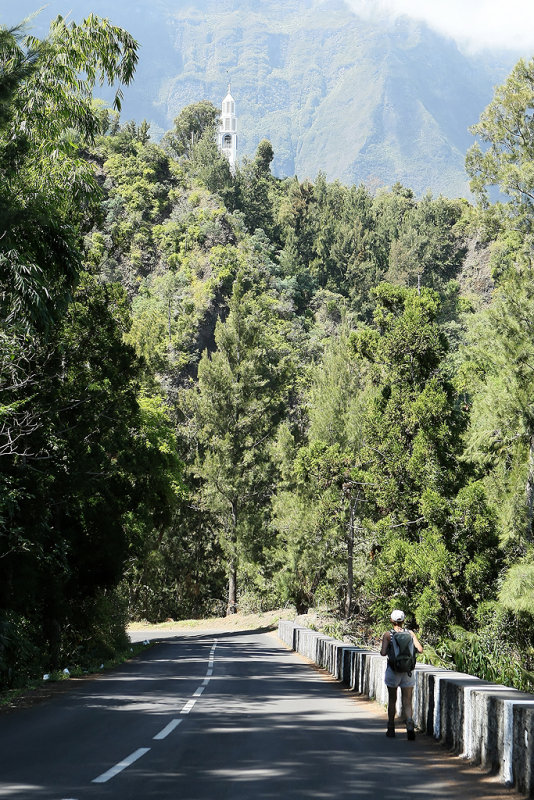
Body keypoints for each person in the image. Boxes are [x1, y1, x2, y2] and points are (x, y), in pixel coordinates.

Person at [380, 609, 423, 740]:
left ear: (391, 621)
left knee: (392, 700)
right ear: (403, 621)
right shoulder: (410, 633)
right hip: (408, 672)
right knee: (408, 700)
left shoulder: (388, 634)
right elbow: (420, 649)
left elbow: (382, 653)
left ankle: (391, 727)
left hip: (393, 671)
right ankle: (409, 724)